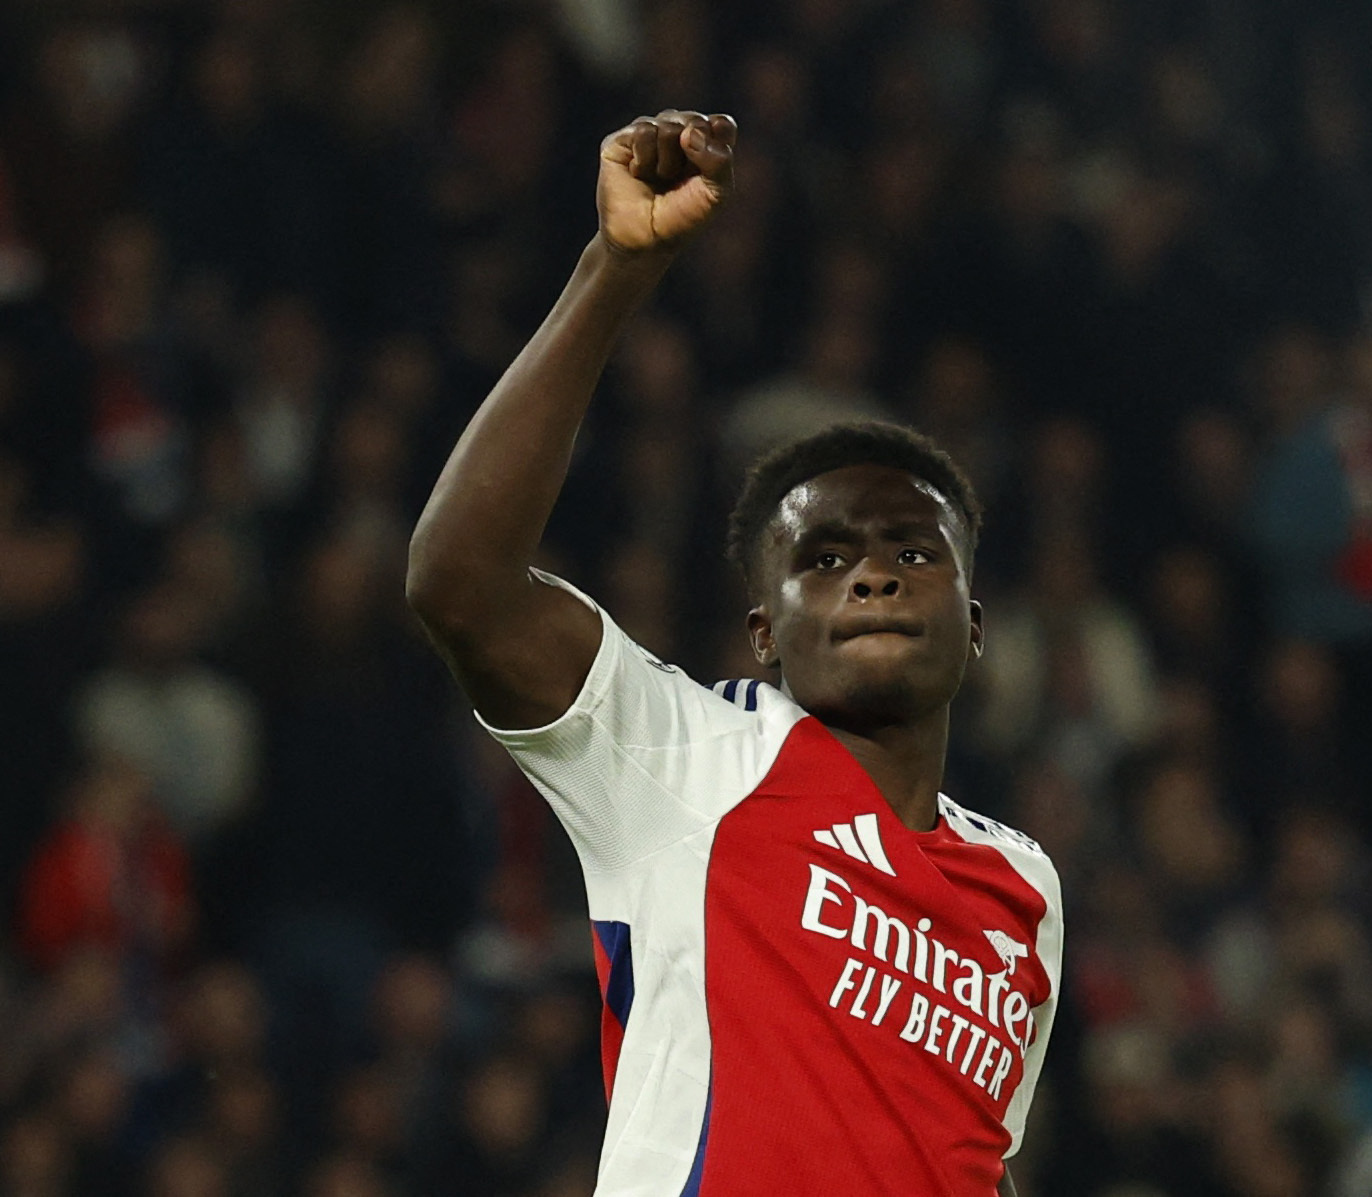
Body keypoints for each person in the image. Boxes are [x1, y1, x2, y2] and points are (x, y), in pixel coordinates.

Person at [405, 110, 1062, 1195]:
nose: (874, 575)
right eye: (827, 558)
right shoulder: (688, 758)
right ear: (765, 634)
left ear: (975, 623)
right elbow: (460, 587)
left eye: (913, 551)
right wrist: (614, 270)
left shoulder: (1025, 889)